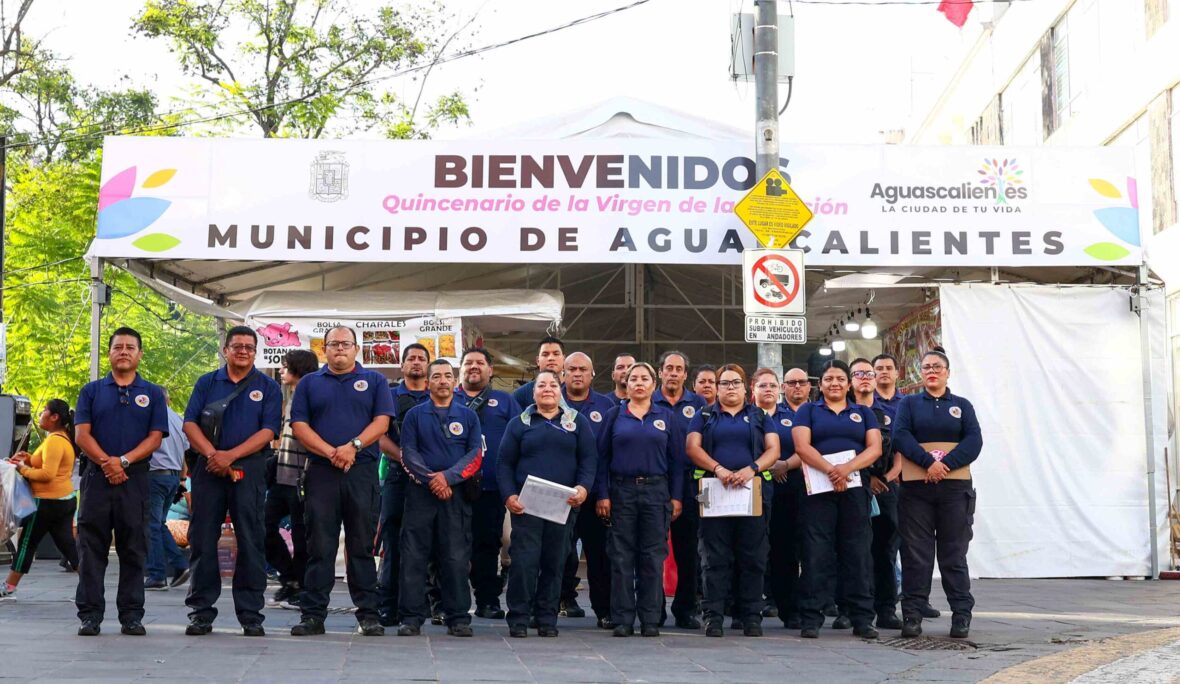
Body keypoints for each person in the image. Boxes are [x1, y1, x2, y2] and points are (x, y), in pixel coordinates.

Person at [289, 326, 395, 637]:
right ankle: (313, 615)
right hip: (321, 471)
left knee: (361, 545)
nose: (339, 349)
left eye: (345, 344)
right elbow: (299, 424)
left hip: (361, 471)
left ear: (356, 349)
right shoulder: (309, 383)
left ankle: (369, 615)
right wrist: (331, 452)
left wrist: (353, 447)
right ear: (324, 349)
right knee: (319, 544)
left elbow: (382, 422)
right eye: (333, 344)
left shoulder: (375, 381)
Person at [182, 326, 282, 637]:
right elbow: (189, 423)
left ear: (255, 352)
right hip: (208, 469)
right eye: (236, 346)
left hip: (249, 470)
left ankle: (250, 613)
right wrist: (214, 455)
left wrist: (231, 456)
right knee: (202, 540)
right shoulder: (207, 382)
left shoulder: (268, 387)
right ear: (225, 350)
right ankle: (201, 612)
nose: (242, 351)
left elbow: (268, 432)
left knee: (251, 540)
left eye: (249, 347)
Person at [74, 326, 169, 636]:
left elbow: (155, 438)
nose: (124, 351)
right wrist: (106, 462)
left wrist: (123, 461)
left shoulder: (153, 393)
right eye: (118, 347)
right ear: (110, 352)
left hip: (135, 479)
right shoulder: (91, 391)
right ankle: (90, 615)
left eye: (130, 347)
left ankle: (131, 615)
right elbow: (81, 434)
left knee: (133, 548)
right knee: (91, 549)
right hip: (96, 479)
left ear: (140, 354)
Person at [892, 348, 982, 639]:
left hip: (954, 489)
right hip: (916, 489)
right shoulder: (909, 404)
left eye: (937, 367)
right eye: (927, 367)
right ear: (921, 373)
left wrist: (945, 466)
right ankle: (913, 615)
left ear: (947, 372)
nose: (932, 371)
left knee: (953, 553)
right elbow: (900, 436)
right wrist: (928, 463)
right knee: (916, 554)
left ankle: (961, 615)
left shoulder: (962, 405)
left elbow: (974, 441)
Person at [499, 371, 597, 637]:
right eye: (541, 385)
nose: (547, 389)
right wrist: (509, 495)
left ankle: (546, 618)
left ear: (560, 389)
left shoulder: (577, 422)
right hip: (526, 507)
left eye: (553, 384)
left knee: (555, 563)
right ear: (533, 393)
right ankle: (519, 618)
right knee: (524, 563)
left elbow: (589, 461)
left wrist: (583, 488)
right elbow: (504, 463)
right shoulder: (519, 423)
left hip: (562, 507)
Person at [792, 359, 883, 640]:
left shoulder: (863, 413)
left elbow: (875, 448)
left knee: (857, 552)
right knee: (816, 553)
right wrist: (831, 470)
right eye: (829, 378)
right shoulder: (809, 410)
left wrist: (847, 469)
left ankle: (862, 617)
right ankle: (811, 617)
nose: (835, 383)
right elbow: (801, 446)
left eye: (840, 378)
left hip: (855, 488)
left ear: (848, 383)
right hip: (817, 489)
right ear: (821, 384)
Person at [686, 365, 779, 638]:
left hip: (752, 493)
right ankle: (713, 617)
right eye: (724, 383)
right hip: (714, 491)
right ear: (716, 387)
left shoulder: (759, 416)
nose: (729, 387)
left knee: (752, 557)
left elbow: (774, 450)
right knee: (714, 558)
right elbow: (692, 448)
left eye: (735, 383)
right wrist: (719, 469)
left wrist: (752, 468)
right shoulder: (704, 415)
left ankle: (750, 616)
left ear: (744, 387)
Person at [595, 362, 684, 637]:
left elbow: (677, 461)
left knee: (652, 556)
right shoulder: (614, 415)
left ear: (653, 385)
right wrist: (603, 494)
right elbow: (601, 458)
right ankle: (622, 618)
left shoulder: (666, 417)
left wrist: (676, 497)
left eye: (645, 378)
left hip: (657, 492)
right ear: (626, 383)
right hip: (621, 491)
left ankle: (650, 618)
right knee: (621, 556)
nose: (639, 383)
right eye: (633, 378)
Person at [397, 359, 482, 637]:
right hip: (421, 494)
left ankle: (458, 617)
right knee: (413, 556)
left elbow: (475, 454)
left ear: (454, 381)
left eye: (448, 376)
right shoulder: (414, 415)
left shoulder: (468, 416)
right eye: (437, 376)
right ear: (429, 382)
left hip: (455, 496)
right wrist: (432, 479)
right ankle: (411, 617)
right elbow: (407, 453)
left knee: (456, 557)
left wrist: (449, 478)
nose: (443, 381)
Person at [452, 347, 521, 620]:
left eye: (480, 363)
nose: (474, 367)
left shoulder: (504, 401)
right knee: (451, 545)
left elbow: (518, 439)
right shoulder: (448, 398)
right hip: (452, 486)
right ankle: (448, 602)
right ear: (461, 369)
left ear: (490, 370)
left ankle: (487, 600)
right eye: (468, 363)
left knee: (488, 544)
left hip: (491, 487)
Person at [874, 352, 939, 622]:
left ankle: (918, 599)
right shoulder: (868, 405)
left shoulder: (910, 403)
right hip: (883, 484)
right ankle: (885, 605)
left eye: (889, 368)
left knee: (915, 546)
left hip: (912, 483)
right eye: (879, 369)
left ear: (897, 373)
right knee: (884, 548)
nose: (884, 372)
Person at [375, 342, 432, 627]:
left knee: (427, 545)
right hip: (399, 476)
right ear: (402, 365)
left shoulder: (439, 396)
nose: (416, 363)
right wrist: (406, 461)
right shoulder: (389, 396)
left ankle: (423, 605)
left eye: (422, 359)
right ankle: (388, 606)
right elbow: (380, 435)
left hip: (432, 480)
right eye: (411, 358)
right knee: (393, 543)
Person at [558, 351, 616, 624]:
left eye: (583, 369)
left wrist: (604, 493)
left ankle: (604, 611)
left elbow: (607, 455)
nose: (577, 373)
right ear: (563, 374)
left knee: (599, 555)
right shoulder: (548, 401)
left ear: (592, 374)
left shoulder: (606, 406)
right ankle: (556, 604)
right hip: (558, 493)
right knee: (558, 553)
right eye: (572, 369)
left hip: (593, 495)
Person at [3, 400, 80, 599]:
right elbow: (47, 463)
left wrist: (22, 469)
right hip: (64, 500)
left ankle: (9, 587)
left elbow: (47, 474)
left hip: (46, 501)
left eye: (45, 411)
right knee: (67, 544)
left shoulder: (54, 441)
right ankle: (90, 583)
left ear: (54, 417)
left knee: (27, 543)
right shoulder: (61, 438)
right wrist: (28, 458)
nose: (41, 414)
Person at [653, 350, 706, 629]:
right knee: (653, 549)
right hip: (656, 483)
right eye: (668, 368)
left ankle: (686, 609)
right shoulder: (648, 401)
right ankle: (654, 608)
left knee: (689, 551)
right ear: (660, 372)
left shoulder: (699, 404)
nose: (673, 373)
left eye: (679, 369)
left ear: (686, 375)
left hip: (690, 483)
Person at [264, 349, 319, 606]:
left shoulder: (309, 396)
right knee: (261, 525)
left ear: (297, 368)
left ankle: (299, 585)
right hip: (281, 476)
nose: (281, 371)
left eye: (285, 366)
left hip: (303, 478)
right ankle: (288, 577)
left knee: (301, 534)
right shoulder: (291, 396)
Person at [851, 358, 902, 630]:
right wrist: (864, 478)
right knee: (853, 549)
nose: (865, 378)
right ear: (851, 380)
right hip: (851, 485)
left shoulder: (889, 414)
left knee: (885, 550)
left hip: (885, 487)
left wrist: (885, 479)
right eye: (858, 373)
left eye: (869, 373)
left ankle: (886, 608)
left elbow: (900, 455)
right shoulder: (842, 412)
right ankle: (853, 608)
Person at [765, 368, 810, 628]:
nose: (796, 387)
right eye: (791, 383)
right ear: (784, 387)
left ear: (809, 386)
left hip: (807, 486)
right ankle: (787, 606)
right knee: (783, 551)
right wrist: (777, 465)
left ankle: (814, 602)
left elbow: (811, 446)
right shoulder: (774, 415)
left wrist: (787, 464)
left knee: (812, 550)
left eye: (801, 382)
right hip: (780, 490)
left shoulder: (814, 412)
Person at [144, 389, 191, 591]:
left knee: (151, 525)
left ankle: (157, 574)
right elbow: (185, 453)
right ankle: (179, 565)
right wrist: (181, 479)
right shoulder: (178, 419)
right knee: (158, 523)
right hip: (172, 476)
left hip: (154, 475)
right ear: (168, 399)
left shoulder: (150, 418)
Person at [513, 336, 566, 408]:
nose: (551, 358)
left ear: (564, 359)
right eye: (545, 354)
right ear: (538, 361)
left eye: (556, 354)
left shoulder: (574, 389)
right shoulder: (522, 394)